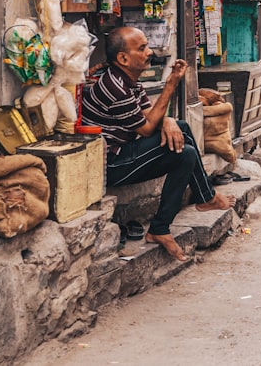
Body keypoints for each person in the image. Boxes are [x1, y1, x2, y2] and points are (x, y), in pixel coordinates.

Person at [81, 26, 235, 262]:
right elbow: (146, 127)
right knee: (185, 153)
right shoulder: (114, 87)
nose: (149, 52)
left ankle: (201, 199)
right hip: (110, 165)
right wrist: (171, 84)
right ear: (123, 58)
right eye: (142, 48)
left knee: (181, 129)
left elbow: (149, 114)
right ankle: (168, 222)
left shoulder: (128, 81)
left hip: (124, 152)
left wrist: (169, 120)